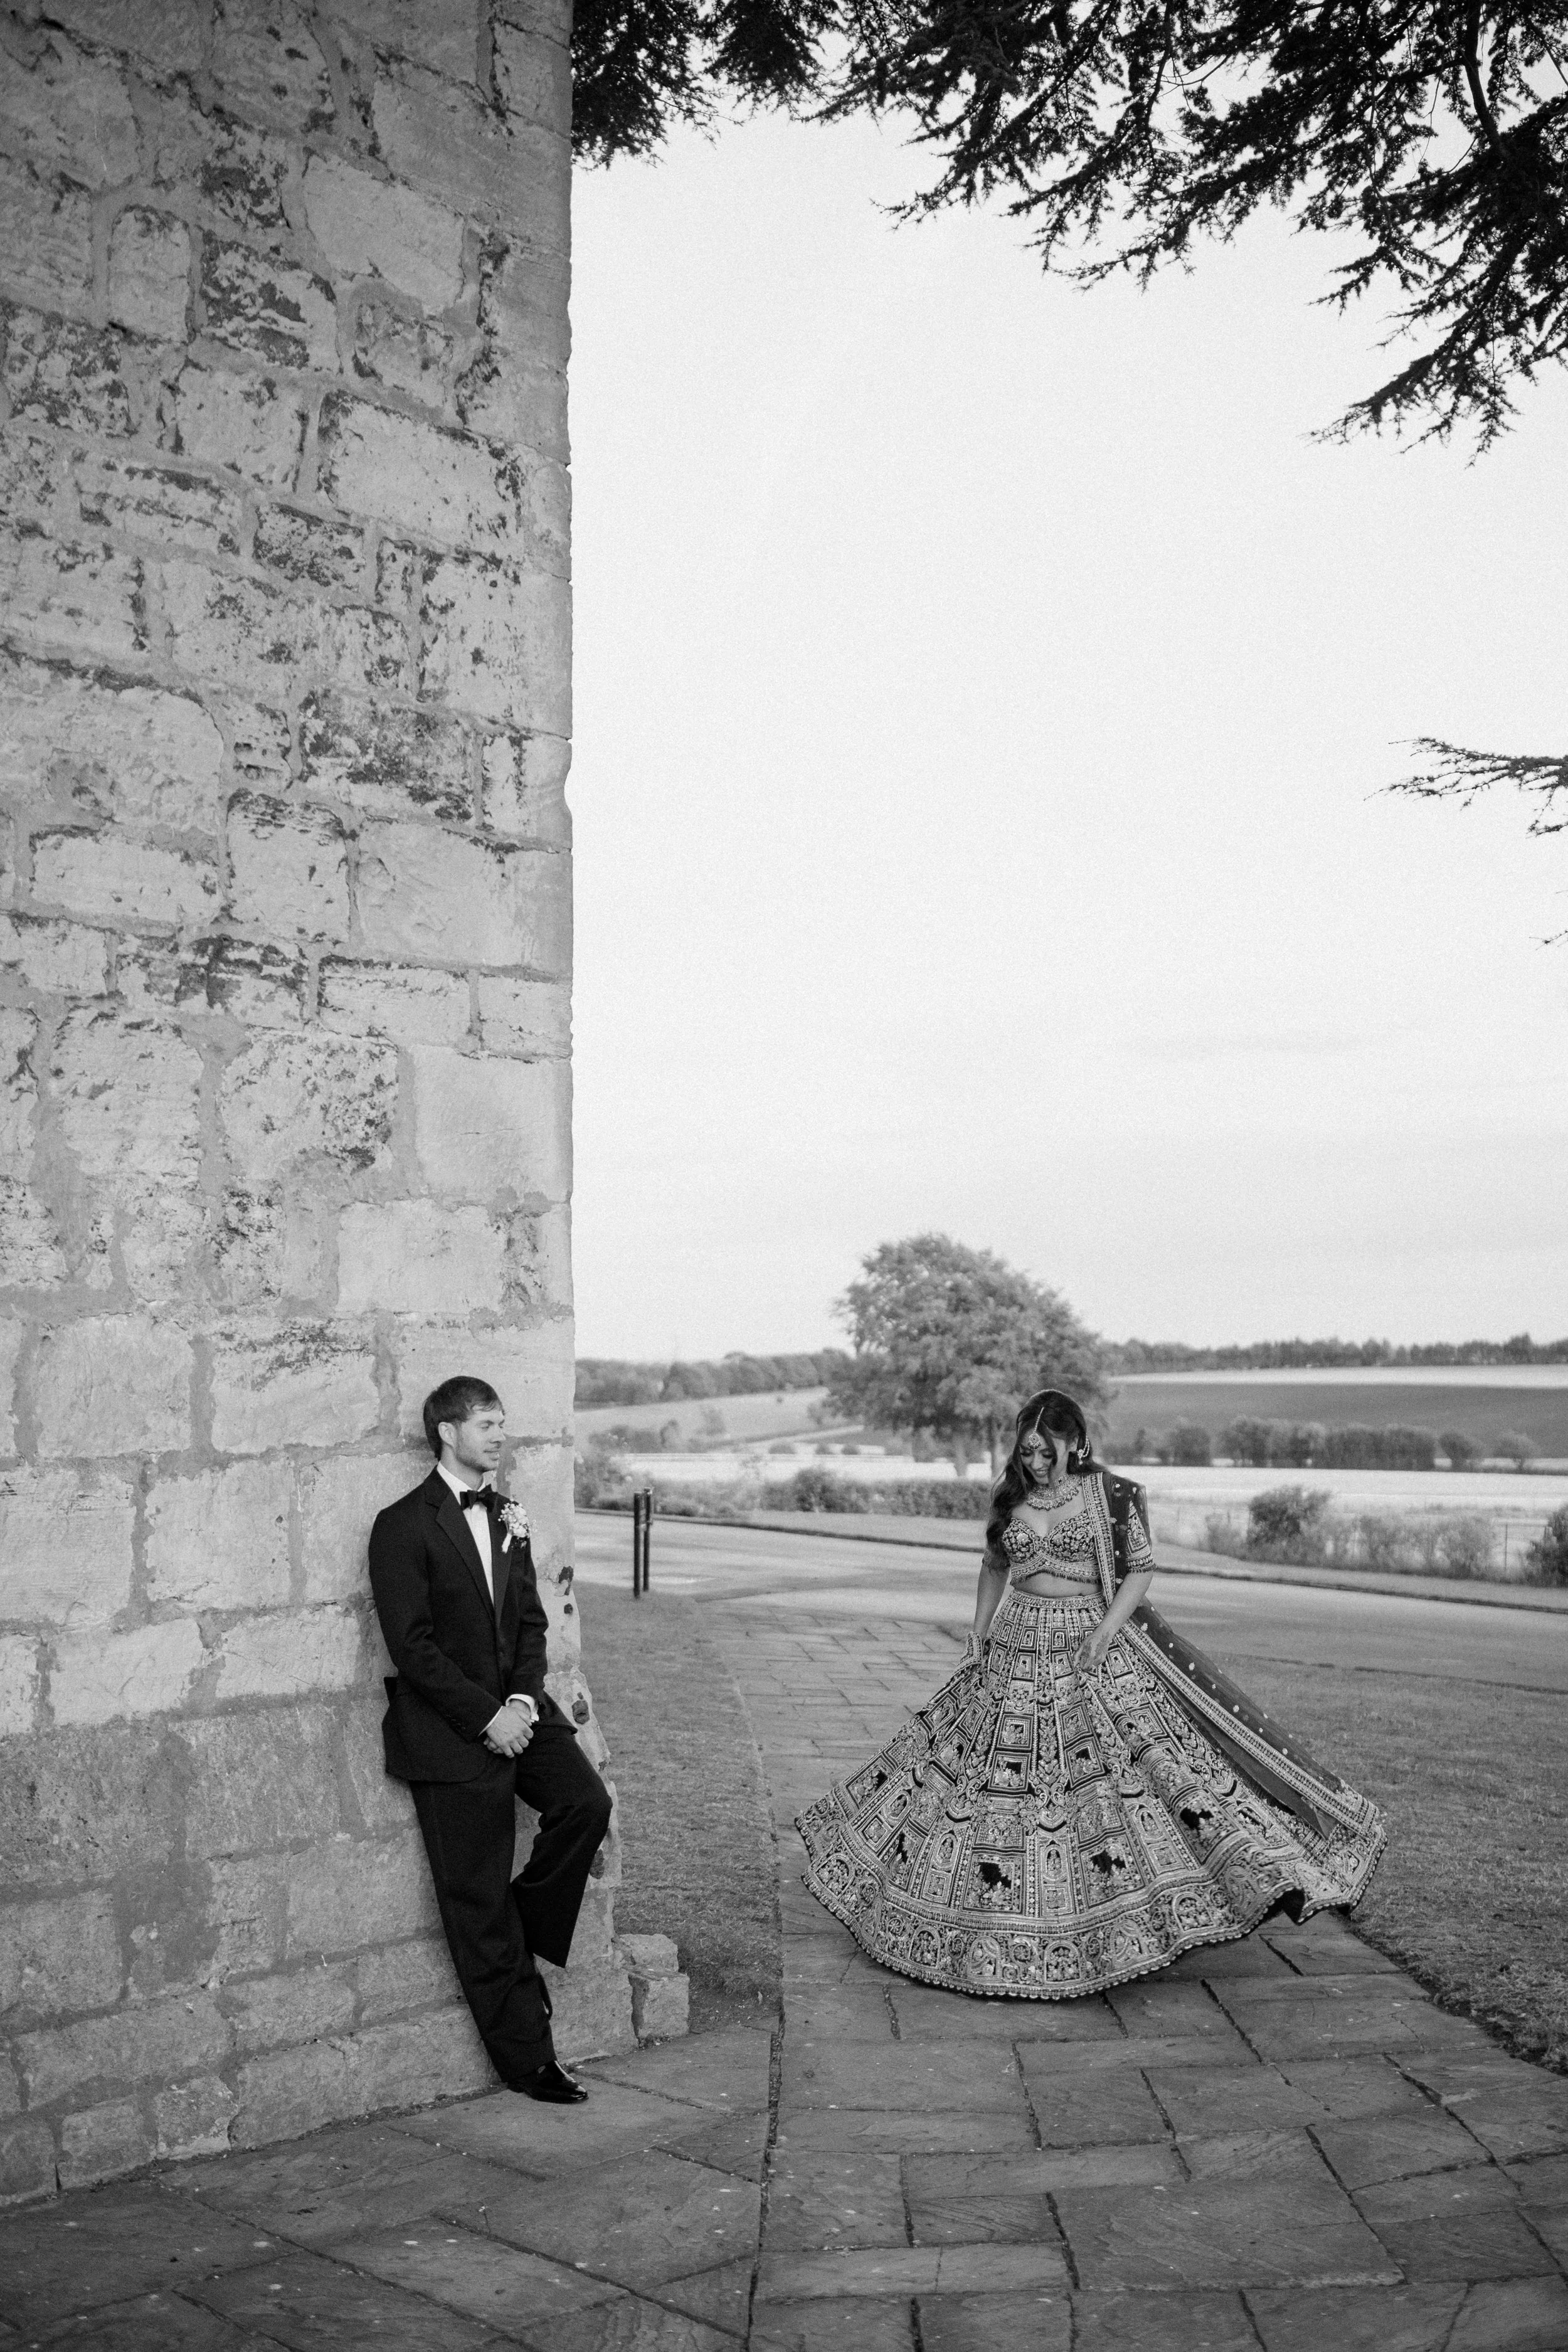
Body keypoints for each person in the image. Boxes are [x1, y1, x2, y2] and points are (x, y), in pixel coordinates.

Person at [798, 1387, 1386, 1997]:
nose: (1034, 1462)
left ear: (1074, 1441)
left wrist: (1106, 1633)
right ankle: (983, 1925)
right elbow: (993, 1567)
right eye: (1025, 1451)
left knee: (1127, 1779)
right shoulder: (1012, 1497)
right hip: (1016, 1646)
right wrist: (977, 1637)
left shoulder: (1109, 1495)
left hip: (1089, 1646)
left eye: (1044, 1450)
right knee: (993, 1784)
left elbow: (1141, 1568)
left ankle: (1130, 1916)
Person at [369, 1375, 612, 2100]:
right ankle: (527, 2060)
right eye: (485, 1423)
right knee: (472, 1902)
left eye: (502, 1422)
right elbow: (411, 1647)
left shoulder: (511, 1514)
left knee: (585, 1805)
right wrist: (485, 1717)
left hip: (521, 1712)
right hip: (449, 1732)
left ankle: (522, 1921)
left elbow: (531, 1623)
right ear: (447, 1433)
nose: (500, 1435)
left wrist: (518, 1700)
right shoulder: (402, 1524)